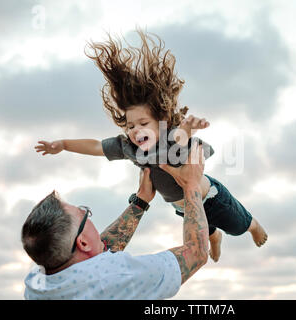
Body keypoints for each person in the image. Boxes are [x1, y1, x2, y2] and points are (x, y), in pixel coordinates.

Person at [35, 28, 267, 263]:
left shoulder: (169, 136)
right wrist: (63, 144)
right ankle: (214, 236)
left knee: (238, 226)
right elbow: (96, 147)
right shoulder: (128, 148)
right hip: (184, 207)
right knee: (204, 231)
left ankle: (254, 225)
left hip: (212, 198)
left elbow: (180, 140)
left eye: (143, 123)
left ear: (160, 122)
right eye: (130, 125)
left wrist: (188, 128)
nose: (135, 130)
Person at [22, 144, 209, 300]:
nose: (88, 215)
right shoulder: (117, 277)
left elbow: (96, 252)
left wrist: (140, 202)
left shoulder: (36, 283)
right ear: (82, 242)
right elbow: (197, 252)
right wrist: (191, 184)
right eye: (85, 214)